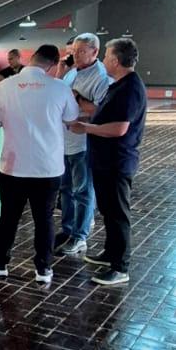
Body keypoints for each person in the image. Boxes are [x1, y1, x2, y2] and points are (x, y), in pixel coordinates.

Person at [0, 44, 80, 286]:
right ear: (53, 64)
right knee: (44, 219)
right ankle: (43, 268)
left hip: (13, 165)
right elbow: (71, 119)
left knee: (9, 216)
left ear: (32, 58)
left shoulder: (4, 86)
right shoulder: (60, 88)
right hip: (48, 166)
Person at [71, 37, 147, 287]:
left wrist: (87, 128)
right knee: (108, 210)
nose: (103, 60)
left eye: (105, 55)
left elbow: (119, 128)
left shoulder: (130, 88)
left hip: (117, 161)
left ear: (115, 60)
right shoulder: (118, 85)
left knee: (118, 214)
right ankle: (110, 253)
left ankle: (120, 267)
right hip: (105, 160)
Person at [55, 32, 110, 257]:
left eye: (81, 51)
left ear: (95, 52)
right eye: (73, 52)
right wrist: (61, 73)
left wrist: (77, 99)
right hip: (65, 141)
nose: (75, 55)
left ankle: (80, 236)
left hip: (83, 143)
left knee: (82, 190)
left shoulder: (101, 77)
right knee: (65, 189)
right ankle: (67, 229)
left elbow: (100, 112)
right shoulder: (71, 73)